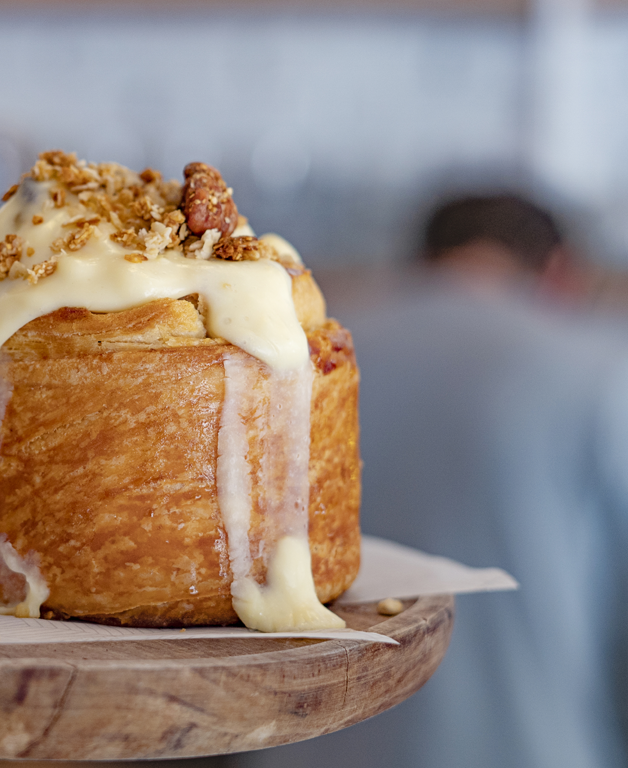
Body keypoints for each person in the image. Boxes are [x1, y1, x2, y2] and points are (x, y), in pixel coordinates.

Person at [234, 193, 628, 768]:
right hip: (524, 746)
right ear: (560, 271)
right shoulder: (603, 371)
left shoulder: (300, 352)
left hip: (297, 743)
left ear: (421, 262)